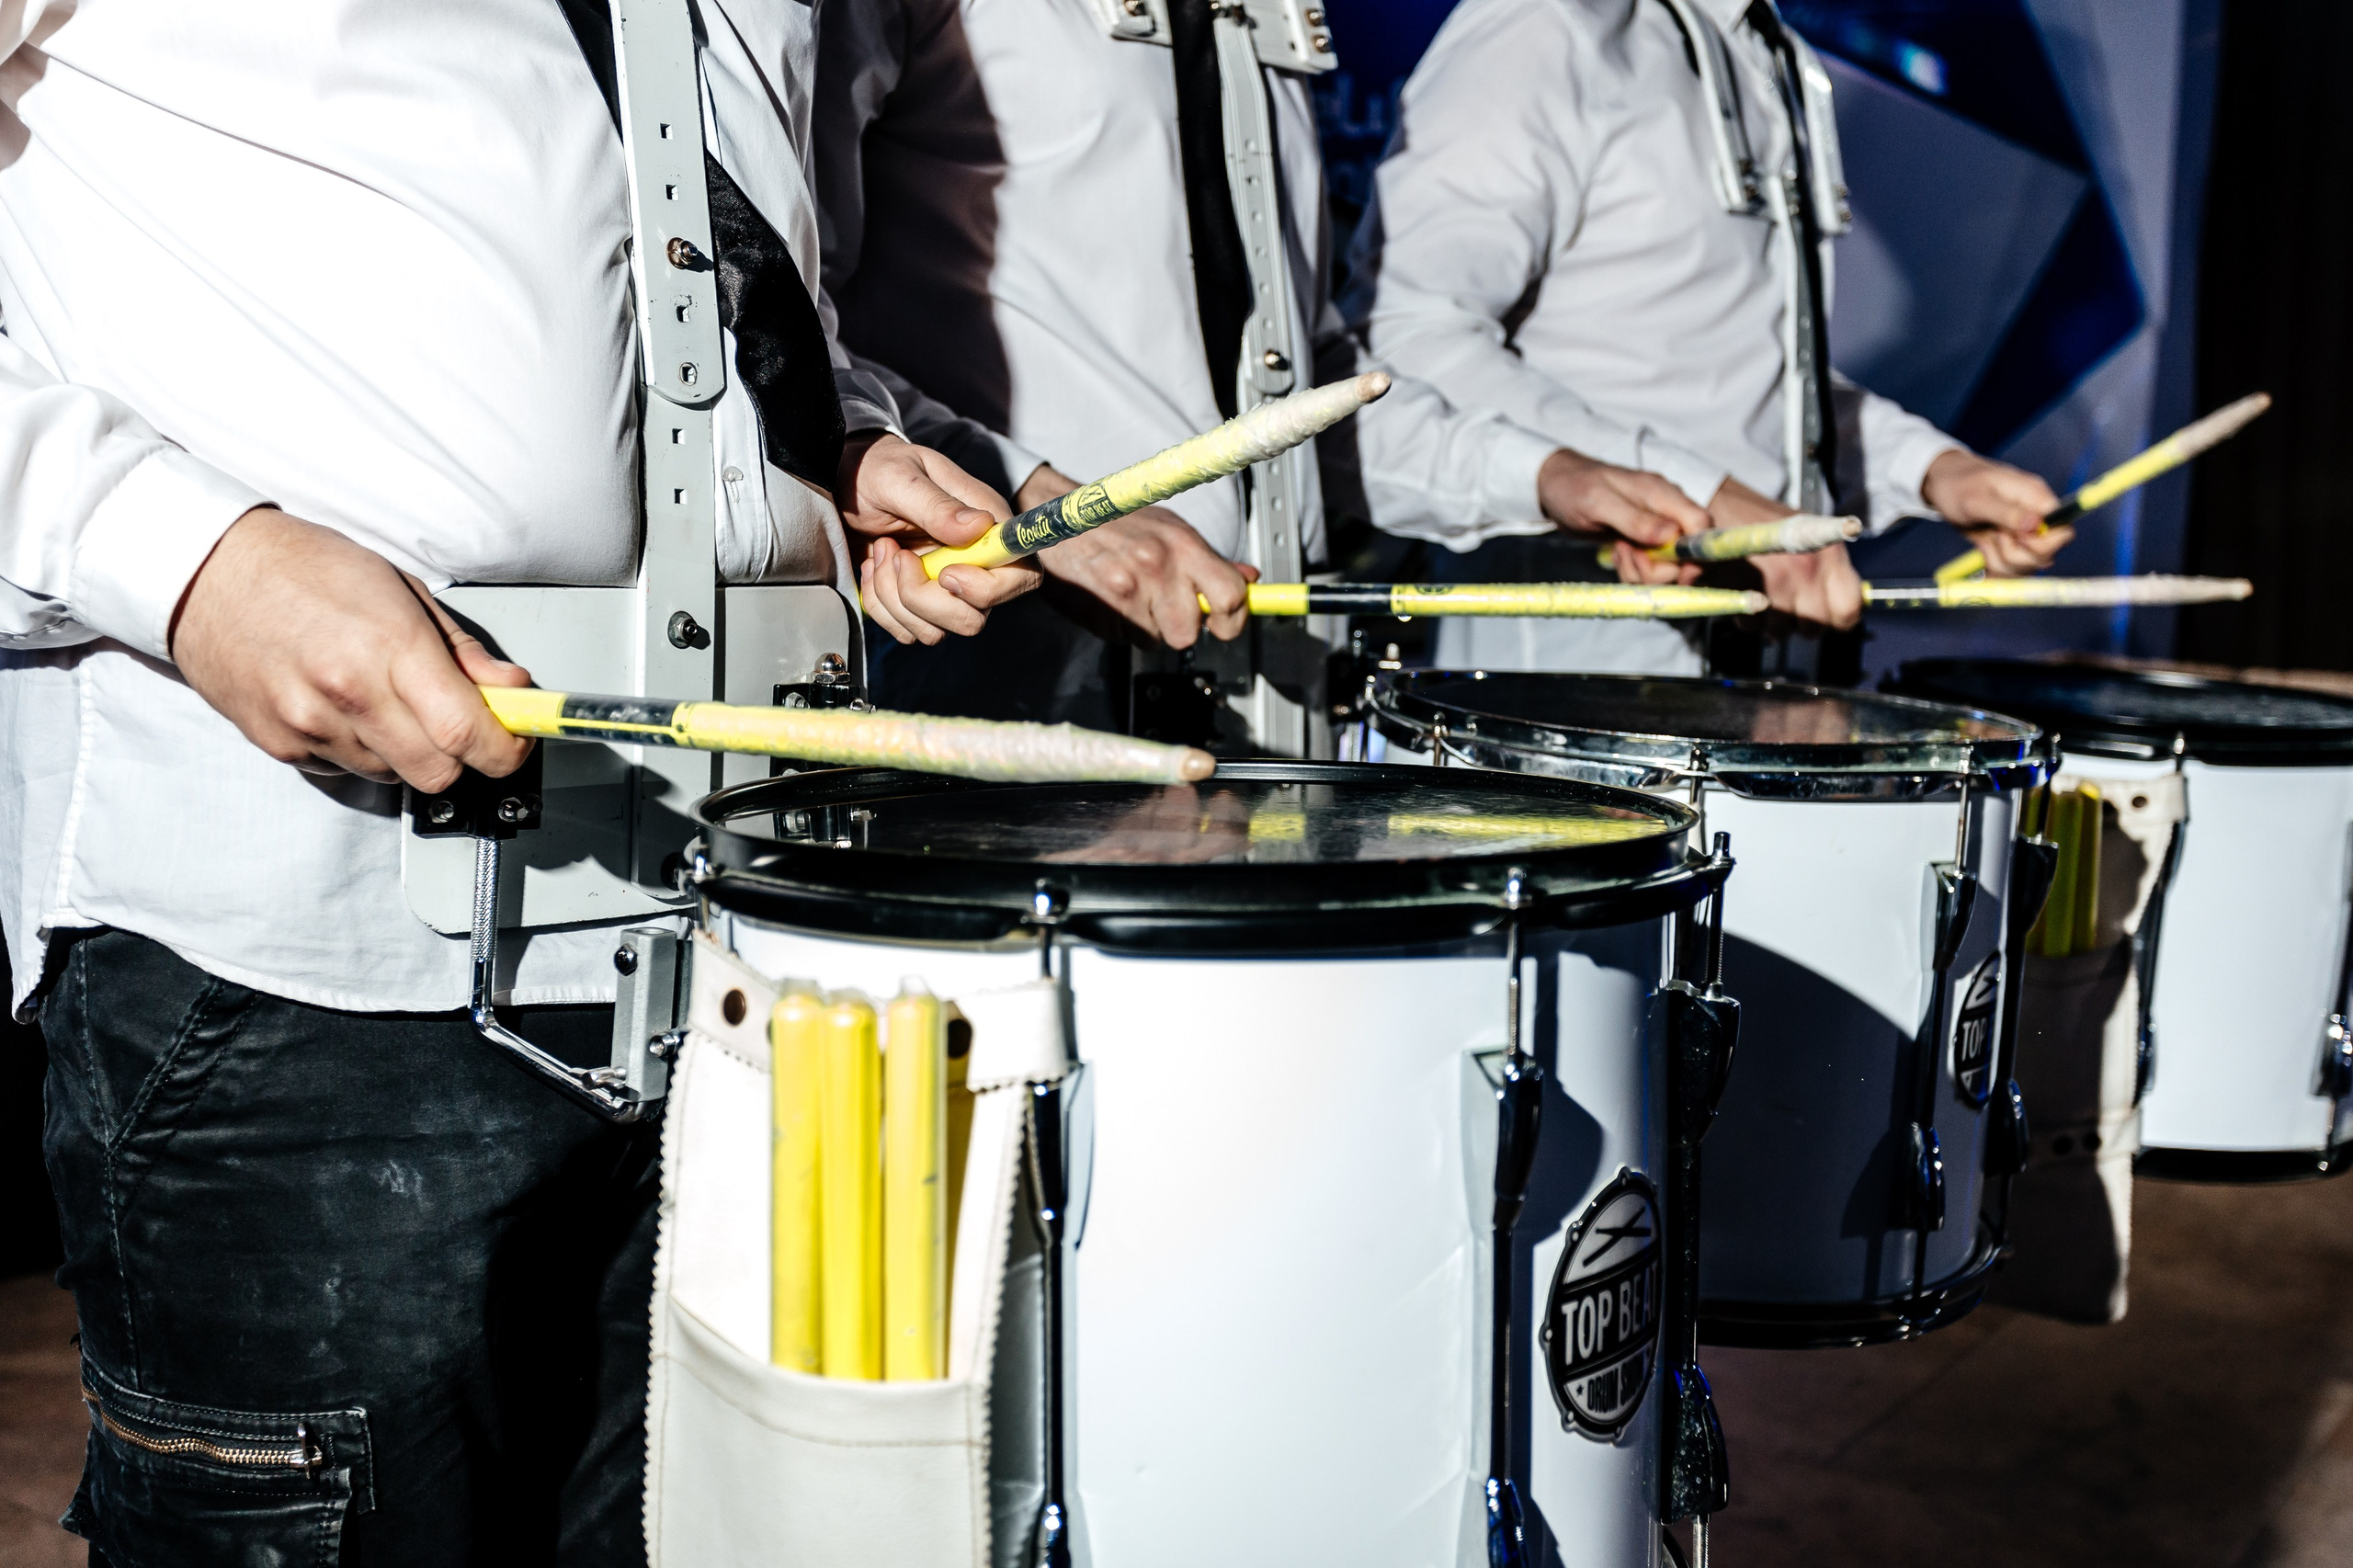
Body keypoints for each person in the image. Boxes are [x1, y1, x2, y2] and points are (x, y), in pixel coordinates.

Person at [0, 4, 1034, 1562]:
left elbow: (693, 243)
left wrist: (818, 452)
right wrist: (186, 561)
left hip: (752, 933)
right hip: (315, 979)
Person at [813, 0, 1742, 746]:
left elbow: (1299, 390)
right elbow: (786, 331)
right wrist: (1036, 505)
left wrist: (1548, 476)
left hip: (1262, 700)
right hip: (995, 690)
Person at [1345, 0, 2067, 678]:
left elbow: (1753, 388)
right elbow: (1407, 342)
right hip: (1561, 704)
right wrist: (1708, 498)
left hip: (1761, 693)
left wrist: (1931, 470)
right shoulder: (1542, 25)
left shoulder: (1768, 49)